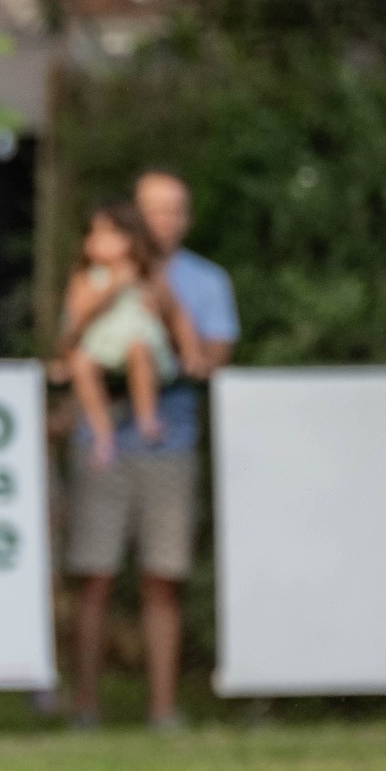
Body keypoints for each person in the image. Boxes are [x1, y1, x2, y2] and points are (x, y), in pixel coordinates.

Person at [59, 171, 238, 730]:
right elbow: (69, 345)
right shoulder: (90, 278)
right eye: (154, 211)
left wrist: (175, 346)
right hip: (100, 444)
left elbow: (208, 353)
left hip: (169, 443)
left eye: (176, 210)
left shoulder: (201, 281)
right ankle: (85, 705)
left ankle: (163, 707)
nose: (165, 221)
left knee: (164, 576)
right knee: (95, 575)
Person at [63, 203, 205, 470]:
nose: (102, 243)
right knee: (81, 364)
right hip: (102, 346)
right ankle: (103, 434)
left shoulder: (150, 274)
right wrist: (114, 286)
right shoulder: (86, 277)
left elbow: (177, 315)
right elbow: (77, 317)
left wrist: (191, 353)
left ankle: (147, 418)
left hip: (141, 343)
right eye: (96, 235)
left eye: (111, 235)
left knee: (137, 349)